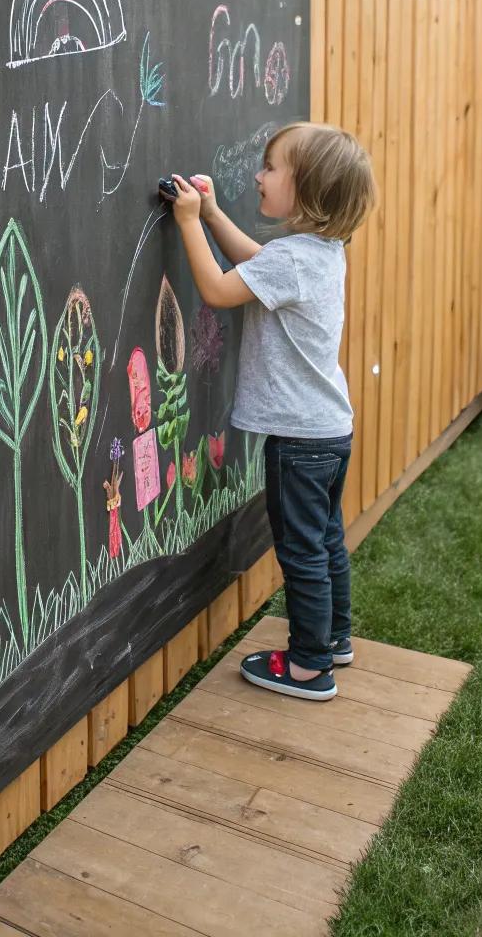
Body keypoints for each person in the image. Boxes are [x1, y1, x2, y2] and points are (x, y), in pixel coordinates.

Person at [162, 122, 376, 701]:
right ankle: (332, 640)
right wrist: (210, 214)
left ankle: (309, 666)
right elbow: (258, 264)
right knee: (326, 541)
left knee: (302, 550)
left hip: (299, 441)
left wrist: (186, 222)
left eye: (272, 167)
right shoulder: (317, 254)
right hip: (330, 431)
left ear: (305, 189)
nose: (259, 175)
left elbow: (220, 289)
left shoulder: (292, 261)